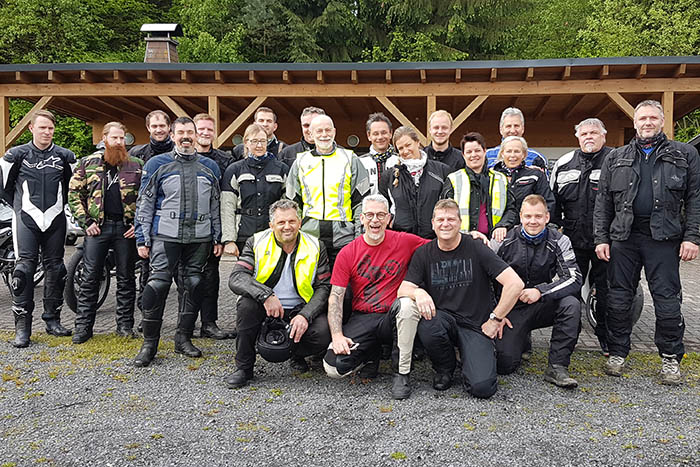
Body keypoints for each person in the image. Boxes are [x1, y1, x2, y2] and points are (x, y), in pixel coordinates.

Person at [594, 100, 700, 385]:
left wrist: (692, 237)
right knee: (618, 299)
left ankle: (669, 359)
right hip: (623, 238)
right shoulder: (616, 157)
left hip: (664, 237)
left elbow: (694, 199)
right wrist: (601, 239)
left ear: (662, 121)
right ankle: (617, 353)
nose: (647, 122)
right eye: (642, 118)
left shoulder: (684, 154)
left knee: (667, 300)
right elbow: (603, 202)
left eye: (653, 117)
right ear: (635, 121)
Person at [398, 199, 523, 399]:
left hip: (476, 325)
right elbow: (403, 289)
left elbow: (515, 284)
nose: (445, 224)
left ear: (460, 222)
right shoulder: (423, 254)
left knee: (483, 388)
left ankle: (468, 360)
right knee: (429, 325)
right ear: (432, 223)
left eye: (450, 219)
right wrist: (418, 293)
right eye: (440, 219)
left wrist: (496, 318)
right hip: (443, 321)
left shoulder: (476, 248)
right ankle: (444, 369)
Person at [133, 116, 222, 367]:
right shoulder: (157, 164)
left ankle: (183, 338)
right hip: (165, 235)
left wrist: (217, 235)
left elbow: (215, 204)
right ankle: (149, 344)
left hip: (200, 237)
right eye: (180, 132)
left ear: (196, 136)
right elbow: (145, 202)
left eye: (190, 132)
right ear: (172, 136)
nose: (185, 136)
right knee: (157, 285)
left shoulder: (210, 167)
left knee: (193, 284)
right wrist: (142, 237)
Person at [323, 194, 430, 384]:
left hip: (394, 316)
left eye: (381, 215)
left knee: (406, 306)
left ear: (389, 219)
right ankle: (370, 354)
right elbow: (336, 297)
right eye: (370, 215)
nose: (375, 220)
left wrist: (469, 236)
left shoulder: (405, 241)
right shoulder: (347, 252)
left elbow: (440, 246)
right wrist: (337, 335)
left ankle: (401, 373)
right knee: (334, 366)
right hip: (363, 315)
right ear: (361, 218)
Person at [225, 200, 331, 388]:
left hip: (299, 307)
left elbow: (324, 287)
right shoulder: (255, 241)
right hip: (265, 306)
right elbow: (237, 277)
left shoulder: (316, 245)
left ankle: (295, 353)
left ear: (300, 223)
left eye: (292, 221)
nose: (287, 227)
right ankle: (244, 367)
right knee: (246, 307)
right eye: (281, 222)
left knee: (323, 332)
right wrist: (265, 295)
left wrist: (305, 315)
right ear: (271, 225)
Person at [0, 110, 76, 347]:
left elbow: (71, 188)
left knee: (57, 269)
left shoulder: (65, 156)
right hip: (25, 219)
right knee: (23, 270)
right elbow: (4, 188)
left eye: (50, 128)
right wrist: (19, 209)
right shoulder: (15, 155)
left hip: (55, 219)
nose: (47, 132)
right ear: (31, 128)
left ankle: (52, 320)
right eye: (42, 127)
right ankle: (22, 329)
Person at [491, 195, 582, 388]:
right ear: (521, 217)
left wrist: (541, 291)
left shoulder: (560, 240)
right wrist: (496, 314)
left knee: (571, 304)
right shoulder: (503, 240)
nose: (533, 221)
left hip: (541, 302)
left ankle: (557, 367)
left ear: (547, 217)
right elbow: (485, 280)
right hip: (511, 308)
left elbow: (574, 278)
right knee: (504, 365)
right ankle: (522, 339)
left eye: (538, 216)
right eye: (528, 216)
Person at [67, 122, 143, 343]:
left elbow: (147, 198)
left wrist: (136, 225)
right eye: (114, 138)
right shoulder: (87, 163)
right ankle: (83, 328)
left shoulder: (137, 165)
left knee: (126, 279)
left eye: (122, 138)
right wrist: (85, 222)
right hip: (97, 228)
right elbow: (73, 194)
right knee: (90, 278)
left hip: (125, 229)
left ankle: (125, 325)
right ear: (105, 139)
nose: (119, 142)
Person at [551, 117, 614, 355]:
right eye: (584, 133)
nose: (589, 137)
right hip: (573, 240)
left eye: (594, 133)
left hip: (606, 241)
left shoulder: (616, 160)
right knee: (570, 290)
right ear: (577, 136)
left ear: (603, 136)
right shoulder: (565, 163)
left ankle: (607, 339)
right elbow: (553, 203)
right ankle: (570, 338)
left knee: (607, 292)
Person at [286, 114, 370, 265]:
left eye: (328, 130)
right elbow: (292, 204)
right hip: (309, 234)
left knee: (343, 284)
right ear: (311, 134)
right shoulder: (300, 162)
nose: (324, 135)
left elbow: (361, 203)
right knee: (312, 283)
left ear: (334, 132)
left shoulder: (351, 159)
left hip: (343, 235)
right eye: (319, 131)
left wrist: (360, 236)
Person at [189, 113, 236, 340]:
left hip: (211, 229)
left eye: (209, 129)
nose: (205, 133)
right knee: (186, 279)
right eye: (201, 129)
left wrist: (221, 236)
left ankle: (209, 323)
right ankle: (185, 324)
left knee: (210, 278)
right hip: (185, 229)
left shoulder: (224, 161)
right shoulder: (182, 157)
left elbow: (224, 201)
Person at [129, 110, 176, 327]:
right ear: (148, 128)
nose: (159, 129)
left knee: (181, 278)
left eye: (162, 126)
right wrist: (137, 225)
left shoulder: (179, 153)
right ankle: (146, 318)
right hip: (150, 225)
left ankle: (183, 322)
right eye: (154, 126)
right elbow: (131, 193)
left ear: (169, 128)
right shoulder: (137, 155)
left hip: (175, 225)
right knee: (147, 275)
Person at [221, 123, 289, 257]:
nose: (259, 145)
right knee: (246, 273)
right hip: (243, 233)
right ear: (246, 142)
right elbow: (227, 207)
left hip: (272, 232)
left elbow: (288, 205)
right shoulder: (234, 170)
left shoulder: (281, 169)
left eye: (263, 141)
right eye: (254, 141)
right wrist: (229, 240)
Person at [441, 132, 517, 242]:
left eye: (477, 150)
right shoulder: (453, 179)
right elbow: (445, 213)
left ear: (484, 151)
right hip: (463, 240)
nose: (473, 155)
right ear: (463, 155)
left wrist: (502, 225)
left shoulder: (501, 178)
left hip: (496, 240)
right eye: (469, 152)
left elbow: (512, 209)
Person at [378, 126, 452, 239]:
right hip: (401, 240)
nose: (405, 151)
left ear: (417, 142)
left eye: (408, 145)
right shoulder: (388, 177)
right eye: (401, 148)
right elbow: (383, 208)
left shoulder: (442, 171)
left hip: (434, 239)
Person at [493, 136, 556, 214]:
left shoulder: (536, 175)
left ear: (524, 154)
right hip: (498, 225)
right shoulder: (492, 176)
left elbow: (548, 204)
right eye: (508, 151)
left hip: (529, 224)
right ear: (502, 153)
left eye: (517, 151)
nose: (512, 155)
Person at [485, 107, 548, 172]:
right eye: (508, 126)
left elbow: (545, 181)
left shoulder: (536, 157)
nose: (512, 130)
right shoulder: (487, 156)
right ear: (501, 129)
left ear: (523, 129)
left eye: (516, 126)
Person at [360, 112, 397, 195]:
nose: (380, 137)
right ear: (369, 136)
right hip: (368, 207)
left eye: (384, 133)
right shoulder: (360, 163)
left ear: (390, 133)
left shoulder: (400, 161)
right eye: (375, 134)